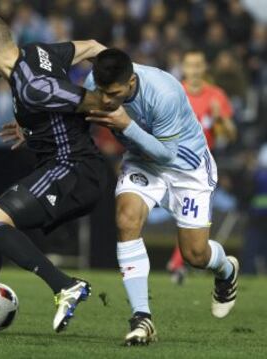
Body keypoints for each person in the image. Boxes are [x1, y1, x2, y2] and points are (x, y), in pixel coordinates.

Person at [0, 16, 108, 341]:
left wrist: (132, 95)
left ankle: (65, 285)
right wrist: (34, 130)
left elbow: (94, 103)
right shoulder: (37, 52)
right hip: (71, 165)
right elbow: (94, 48)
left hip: (73, 168)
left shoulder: (30, 85)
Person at [84, 49, 239, 345]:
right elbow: (77, 106)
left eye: (114, 94)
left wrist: (126, 124)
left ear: (131, 82)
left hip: (186, 166)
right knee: (126, 218)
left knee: (195, 255)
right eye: (103, 93)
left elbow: (167, 155)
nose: (106, 101)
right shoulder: (99, 82)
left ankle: (227, 269)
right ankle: (142, 317)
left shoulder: (164, 91)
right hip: (143, 160)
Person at [167, 48, 237, 282]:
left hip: (200, 167)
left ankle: (178, 264)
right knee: (183, 214)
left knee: (189, 215)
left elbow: (230, 134)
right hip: (171, 161)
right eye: (190, 65)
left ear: (204, 68)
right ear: (183, 68)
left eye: (198, 66)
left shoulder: (216, 95)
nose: (194, 70)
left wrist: (221, 119)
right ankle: (179, 263)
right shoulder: (175, 93)